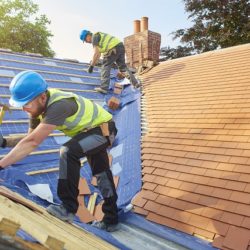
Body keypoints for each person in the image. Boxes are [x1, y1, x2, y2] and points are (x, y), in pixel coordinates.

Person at [0, 70, 119, 232]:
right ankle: (111, 219)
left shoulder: (59, 105)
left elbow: (32, 142)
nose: (24, 109)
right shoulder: (36, 109)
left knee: (68, 151)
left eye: (27, 104)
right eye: (22, 105)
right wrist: (5, 142)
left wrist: (1, 165)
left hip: (104, 130)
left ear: (42, 97)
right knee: (102, 174)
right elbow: (29, 138)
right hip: (87, 133)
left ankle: (68, 208)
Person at [79, 29, 138, 94]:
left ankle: (104, 88)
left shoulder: (94, 37)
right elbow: (98, 55)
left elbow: (96, 53)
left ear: (88, 36)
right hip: (120, 46)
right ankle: (136, 84)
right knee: (123, 68)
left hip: (113, 48)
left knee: (105, 66)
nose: (87, 42)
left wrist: (91, 66)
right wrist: (95, 62)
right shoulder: (98, 36)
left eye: (85, 40)